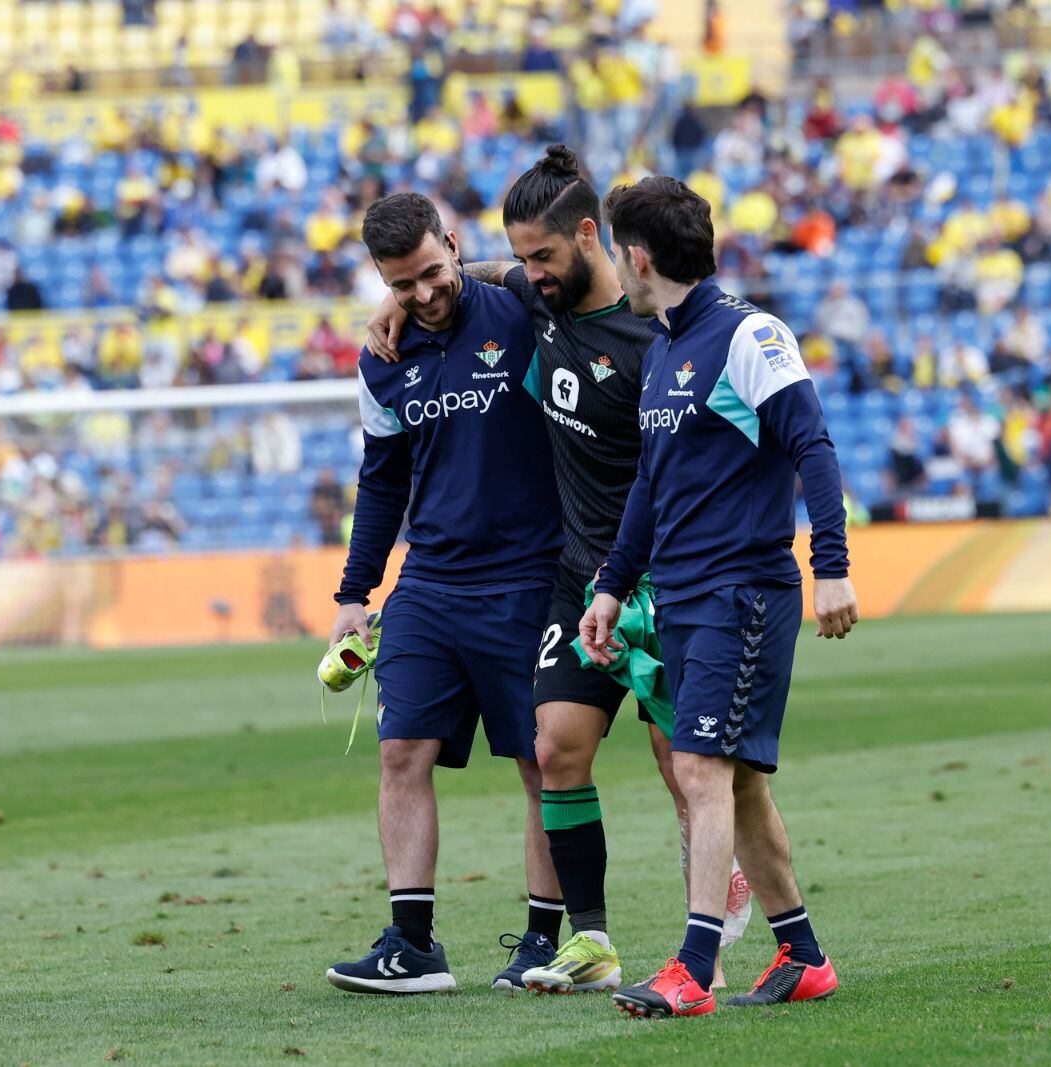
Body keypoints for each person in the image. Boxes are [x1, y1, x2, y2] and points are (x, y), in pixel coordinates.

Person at [365, 146, 750, 993]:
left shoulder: (660, 339)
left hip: (661, 579)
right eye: (523, 258)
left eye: (543, 256)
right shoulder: (531, 299)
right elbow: (473, 275)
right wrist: (391, 309)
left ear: (588, 236)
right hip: (580, 579)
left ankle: (714, 938)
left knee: (685, 765)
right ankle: (593, 941)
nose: (531, 273)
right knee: (555, 748)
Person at [582, 177, 857, 1017]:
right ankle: (803, 955)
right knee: (737, 787)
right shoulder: (662, 346)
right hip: (685, 598)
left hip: (745, 593)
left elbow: (811, 443)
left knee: (700, 766)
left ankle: (693, 969)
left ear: (636, 255)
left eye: (611, 251)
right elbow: (649, 489)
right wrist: (611, 585)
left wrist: (833, 564)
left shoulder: (749, 335)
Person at [323, 193, 565, 995]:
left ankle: (542, 940)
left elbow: (581, 282)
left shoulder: (522, 311)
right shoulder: (380, 359)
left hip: (531, 575)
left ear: (454, 245)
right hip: (429, 580)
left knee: (541, 763)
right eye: (401, 286)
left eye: (433, 273)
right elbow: (382, 479)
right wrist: (355, 591)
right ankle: (413, 942)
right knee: (400, 752)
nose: (423, 296)